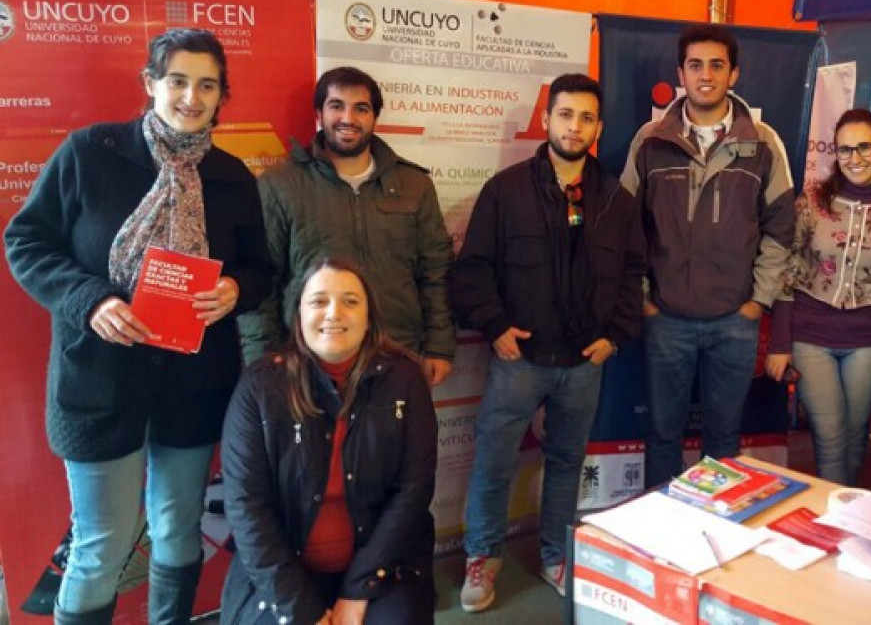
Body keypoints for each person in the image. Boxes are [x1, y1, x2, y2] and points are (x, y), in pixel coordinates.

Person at [4, 28, 272, 625]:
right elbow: (25, 240)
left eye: (207, 85)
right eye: (177, 80)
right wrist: (88, 301)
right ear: (151, 83)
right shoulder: (90, 153)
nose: (191, 97)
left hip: (194, 383)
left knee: (178, 530)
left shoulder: (231, 177)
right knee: (102, 545)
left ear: (221, 96)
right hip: (99, 383)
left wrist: (235, 290)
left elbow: (261, 271)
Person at [451, 74, 645, 611]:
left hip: (585, 363)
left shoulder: (617, 202)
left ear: (598, 128)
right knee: (493, 462)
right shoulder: (506, 190)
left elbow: (633, 275)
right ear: (547, 120)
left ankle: (557, 554)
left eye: (586, 118)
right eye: (565, 115)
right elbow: (472, 270)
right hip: (521, 362)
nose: (574, 126)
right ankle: (481, 558)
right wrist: (495, 327)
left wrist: (616, 335)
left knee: (565, 463)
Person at [620, 23, 795, 488]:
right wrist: (644, 300)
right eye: (695, 65)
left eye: (717, 65)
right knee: (662, 436)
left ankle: (718, 535)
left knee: (723, 438)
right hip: (667, 319)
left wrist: (757, 302)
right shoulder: (651, 141)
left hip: (734, 322)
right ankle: (661, 539)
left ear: (733, 74)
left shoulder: (763, 143)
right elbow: (624, 228)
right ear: (681, 72)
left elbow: (781, 228)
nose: (706, 75)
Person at [220, 258, 438, 624]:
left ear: (369, 318)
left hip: (381, 565)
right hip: (282, 573)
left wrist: (358, 590)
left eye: (351, 301)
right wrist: (300, 609)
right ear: (298, 315)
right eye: (318, 301)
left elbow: (413, 491)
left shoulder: (405, 380)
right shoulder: (259, 386)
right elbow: (246, 505)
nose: (334, 312)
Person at [240, 66, 455, 387]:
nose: (348, 118)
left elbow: (435, 271)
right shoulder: (280, 186)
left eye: (361, 108)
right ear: (319, 114)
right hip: (311, 359)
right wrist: (262, 358)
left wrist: (439, 345)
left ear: (374, 118)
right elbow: (261, 279)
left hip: (397, 354)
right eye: (337, 106)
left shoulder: (415, 185)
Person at [765, 109, 871, 485]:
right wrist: (779, 343)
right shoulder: (812, 204)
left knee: (855, 439)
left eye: (864, 147)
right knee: (830, 436)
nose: (854, 158)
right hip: (810, 336)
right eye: (844, 150)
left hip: (868, 341)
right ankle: (834, 525)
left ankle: (841, 515)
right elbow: (788, 274)